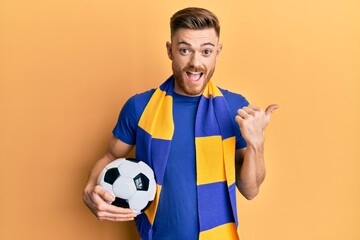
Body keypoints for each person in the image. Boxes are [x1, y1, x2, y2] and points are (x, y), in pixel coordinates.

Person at [83, 7, 278, 240]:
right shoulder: (139, 107)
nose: (195, 63)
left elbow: (250, 190)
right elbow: (109, 156)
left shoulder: (234, 108)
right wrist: (90, 187)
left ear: (218, 52)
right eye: (185, 50)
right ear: (170, 51)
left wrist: (256, 144)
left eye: (206, 51)